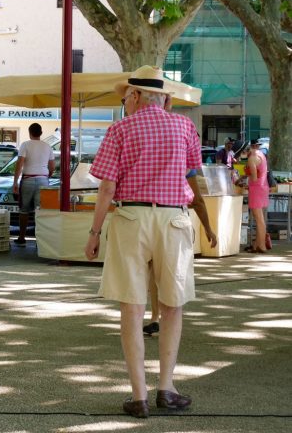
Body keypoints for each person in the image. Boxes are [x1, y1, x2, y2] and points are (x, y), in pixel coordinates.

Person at [84, 65, 200, 419]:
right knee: (172, 305)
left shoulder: (119, 128)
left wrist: (94, 233)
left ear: (135, 95)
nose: (125, 104)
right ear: (163, 98)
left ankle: (139, 396)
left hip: (131, 219)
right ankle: (166, 387)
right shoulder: (184, 126)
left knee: (132, 308)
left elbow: (106, 186)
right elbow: (192, 173)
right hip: (174, 218)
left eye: (125, 98)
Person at [143, 97, 218, 335]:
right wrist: (207, 227)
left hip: (144, 218)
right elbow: (196, 197)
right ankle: (165, 316)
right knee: (170, 274)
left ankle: (156, 315)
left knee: (154, 272)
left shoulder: (139, 134)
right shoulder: (182, 142)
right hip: (174, 218)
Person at [13, 123, 55, 245]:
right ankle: (40, 240)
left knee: (24, 210)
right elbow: (52, 166)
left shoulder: (25, 145)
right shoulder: (47, 147)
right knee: (40, 211)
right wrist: (47, 175)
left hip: (28, 179)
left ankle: (21, 237)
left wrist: (15, 182)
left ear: (29, 132)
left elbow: (19, 164)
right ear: (41, 133)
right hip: (43, 180)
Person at [245, 138, 270, 253]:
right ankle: (257, 245)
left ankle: (261, 246)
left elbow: (254, 178)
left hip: (256, 189)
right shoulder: (262, 155)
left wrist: (247, 177)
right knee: (260, 219)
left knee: (259, 219)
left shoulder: (252, 159)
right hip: (263, 187)